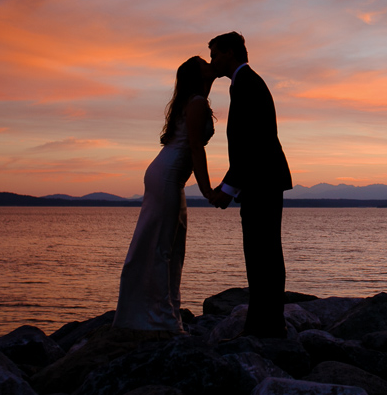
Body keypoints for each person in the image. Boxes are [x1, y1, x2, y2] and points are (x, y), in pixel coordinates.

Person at [114, 56, 216, 333]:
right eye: (204, 62)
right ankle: (160, 320)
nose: (211, 63)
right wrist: (207, 189)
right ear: (197, 74)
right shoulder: (196, 103)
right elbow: (196, 148)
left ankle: (163, 313)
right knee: (161, 247)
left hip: (169, 176)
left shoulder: (195, 100)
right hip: (167, 175)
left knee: (172, 247)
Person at [207, 32, 292, 338]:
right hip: (262, 179)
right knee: (264, 252)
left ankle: (266, 324)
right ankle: (266, 321)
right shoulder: (245, 83)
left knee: (262, 253)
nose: (212, 61)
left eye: (215, 55)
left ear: (230, 53)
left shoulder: (246, 84)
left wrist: (227, 190)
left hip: (262, 180)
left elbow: (251, 143)